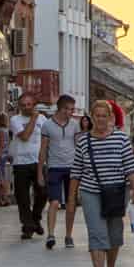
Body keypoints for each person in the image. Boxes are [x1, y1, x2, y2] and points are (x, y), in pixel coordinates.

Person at [72, 99, 134, 267]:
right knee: (97, 233)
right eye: (97, 116)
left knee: (114, 235)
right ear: (91, 118)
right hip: (90, 192)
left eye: (104, 116)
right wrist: (71, 197)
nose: (100, 120)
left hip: (117, 192)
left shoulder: (121, 139)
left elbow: (131, 168)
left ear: (110, 117)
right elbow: (76, 170)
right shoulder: (83, 141)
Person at [38, 95, 81, 250]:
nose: (71, 112)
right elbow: (43, 149)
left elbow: (78, 146)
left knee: (71, 203)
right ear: (60, 108)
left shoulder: (75, 125)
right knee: (54, 202)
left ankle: (68, 235)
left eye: (72, 109)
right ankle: (50, 235)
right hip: (54, 167)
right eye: (68, 109)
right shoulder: (47, 126)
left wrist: (82, 167)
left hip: (72, 167)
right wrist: (39, 172)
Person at [8, 95, 44, 239]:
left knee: (42, 193)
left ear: (34, 104)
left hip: (39, 162)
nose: (26, 107)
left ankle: (35, 219)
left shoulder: (43, 119)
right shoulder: (15, 120)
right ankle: (28, 226)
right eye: (23, 105)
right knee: (22, 197)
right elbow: (24, 137)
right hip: (21, 162)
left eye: (29, 104)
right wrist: (33, 119)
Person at [0, 110, 13, 207]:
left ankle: (3, 198)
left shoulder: (0, 130)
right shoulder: (6, 130)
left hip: (0, 157)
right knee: (1, 178)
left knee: (0, 179)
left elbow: (1, 145)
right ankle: (0, 199)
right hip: (4, 156)